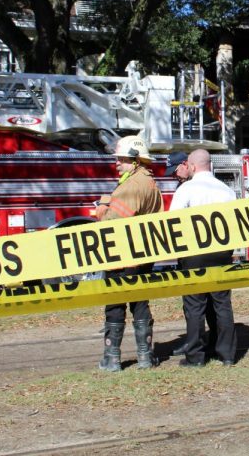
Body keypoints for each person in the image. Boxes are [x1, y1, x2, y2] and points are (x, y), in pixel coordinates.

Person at [96, 134, 164, 372]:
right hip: (142, 254)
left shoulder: (132, 185)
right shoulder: (148, 182)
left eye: (121, 159)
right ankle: (145, 357)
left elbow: (113, 222)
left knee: (115, 303)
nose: (116, 163)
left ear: (135, 160)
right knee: (140, 302)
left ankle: (112, 358)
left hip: (121, 254)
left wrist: (102, 209)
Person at [169, 148, 238, 367]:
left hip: (194, 252)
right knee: (222, 303)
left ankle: (196, 356)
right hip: (222, 252)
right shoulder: (227, 190)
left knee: (194, 305)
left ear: (192, 165)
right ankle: (227, 354)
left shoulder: (186, 189)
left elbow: (173, 222)